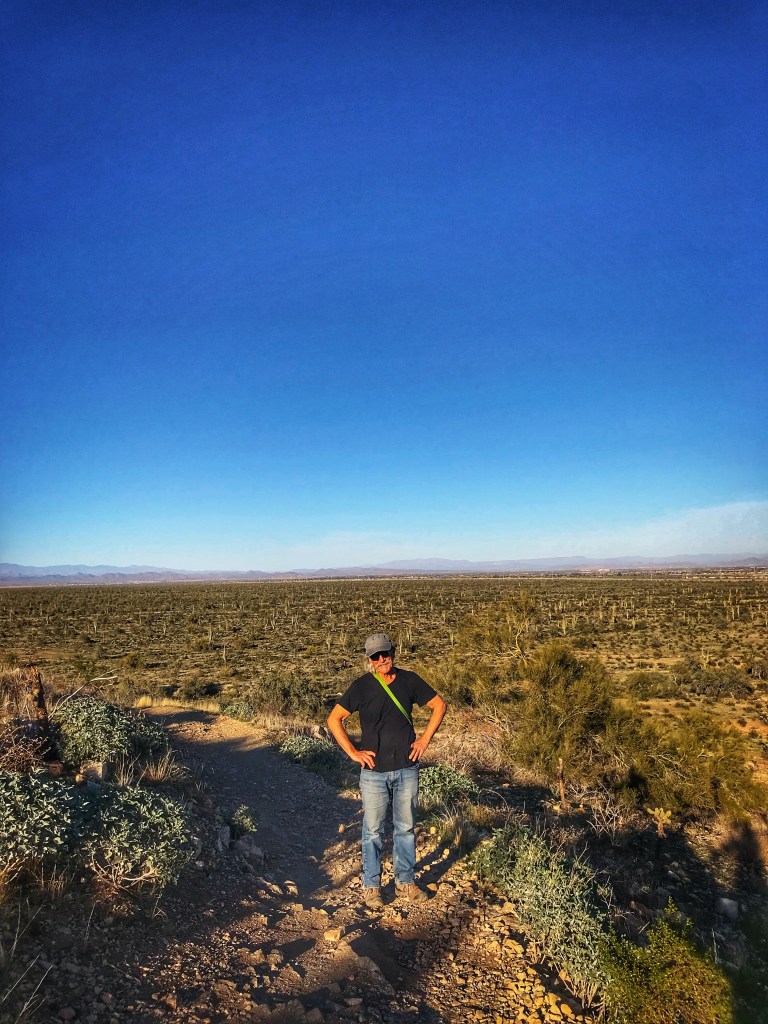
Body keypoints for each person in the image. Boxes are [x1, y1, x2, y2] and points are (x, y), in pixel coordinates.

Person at [327, 632, 447, 909]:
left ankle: (405, 882)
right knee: (372, 831)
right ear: (369, 660)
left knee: (405, 828)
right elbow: (334, 719)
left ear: (393, 652)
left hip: (406, 767)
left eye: (385, 653)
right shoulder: (361, 686)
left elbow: (439, 705)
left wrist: (424, 740)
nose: (382, 659)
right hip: (373, 771)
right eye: (375, 656)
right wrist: (353, 752)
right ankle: (372, 887)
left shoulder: (410, 680)